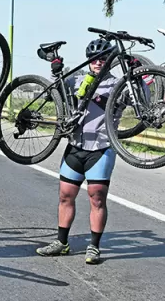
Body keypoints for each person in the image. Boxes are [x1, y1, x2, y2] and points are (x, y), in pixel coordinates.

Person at [36, 38, 116, 264]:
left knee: (97, 199)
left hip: (100, 148)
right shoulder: (78, 79)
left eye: (102, 58)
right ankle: (61, 242)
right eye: (93, 58)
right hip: (75, 145)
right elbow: (57, 89)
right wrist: (55, 69)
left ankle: (94, 246)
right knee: (65, 196)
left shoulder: (116, 83)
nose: (98, 62)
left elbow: (141, 101)